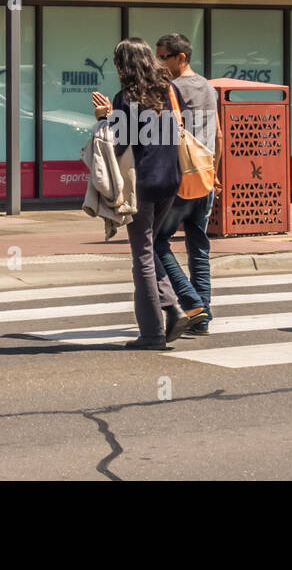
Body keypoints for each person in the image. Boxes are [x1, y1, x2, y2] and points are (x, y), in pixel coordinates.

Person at [92, 38, 187, 349]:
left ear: (124, 66)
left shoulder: (125, 99)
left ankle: (153, 332)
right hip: (171, 180)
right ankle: (171, 307)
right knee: (150, 246)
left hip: (141, 184)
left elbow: (116, 147)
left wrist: (104, 119)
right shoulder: (170, 91)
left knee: (142, 255)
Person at [152, 33, 218, 334]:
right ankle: (201, 318)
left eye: (163, 57)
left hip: (180, 180)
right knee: (198, 248)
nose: (159, 62)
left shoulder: (172, 88)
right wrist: (216, 172)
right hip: (205, 176)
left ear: (181, 57)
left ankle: (193, 304)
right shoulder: (207, 86)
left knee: (156, 243)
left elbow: (165, 133)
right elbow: (219, 135)